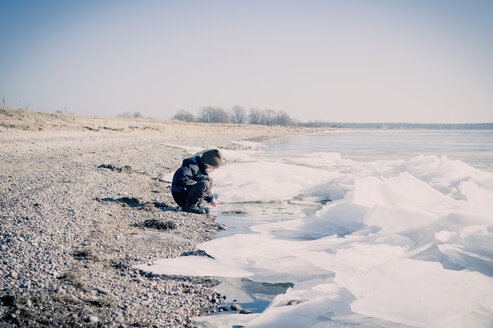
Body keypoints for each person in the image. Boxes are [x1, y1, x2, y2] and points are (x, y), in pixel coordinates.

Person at [171, 149, 223, 214]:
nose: (213, 170)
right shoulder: (191, 166)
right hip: (181, 194)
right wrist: (196, 185)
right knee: (204, 184)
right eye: (213, 168)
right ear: (207, 165)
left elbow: (206, 188)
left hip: (189, 194)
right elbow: (182, 178)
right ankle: (190, 206)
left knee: (209, 181)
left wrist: (211, 198)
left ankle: (197, 204)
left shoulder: (202, 171)